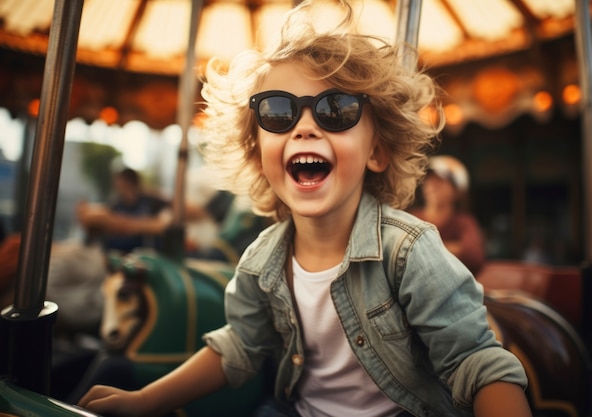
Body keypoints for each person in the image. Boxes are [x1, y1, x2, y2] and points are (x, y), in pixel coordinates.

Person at [78, 1, 531, 416]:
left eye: (336, 110)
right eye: (278, 112)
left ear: (376, 151)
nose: (306, 126)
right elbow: (239, 345)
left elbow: (475, 361)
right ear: (259, 152)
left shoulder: (408, 252)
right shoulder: (263, 259)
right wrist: (144, 401)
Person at [407, 155, 486, 275]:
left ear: (457, 190)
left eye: (441, 180)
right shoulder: (412, 218)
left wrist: (424, 249)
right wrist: (454, 248)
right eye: (429, 179)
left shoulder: (464, 222)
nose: (433, 185)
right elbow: (403, 254)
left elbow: (474, 256)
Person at [77, 167, 170, 254]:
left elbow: (168, 218)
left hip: (143, 254)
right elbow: (94, 218)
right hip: (116, 254)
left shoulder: (151, 200)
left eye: (121, 184)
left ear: (131, 183)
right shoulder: (116, 204)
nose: (118, 188)